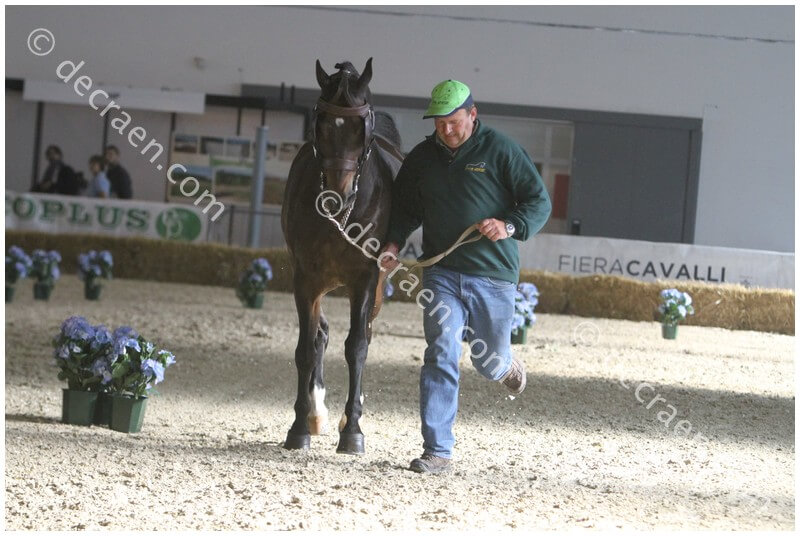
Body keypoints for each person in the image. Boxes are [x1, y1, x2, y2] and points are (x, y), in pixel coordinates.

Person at [380, 80, 552, 474]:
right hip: (441, 274)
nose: (446, 130)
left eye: (454, 122)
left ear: (473, 115)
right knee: (441, 351)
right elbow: (405, 207)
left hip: (493, 274)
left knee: (488, 363)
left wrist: (509, 225)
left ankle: (505, 366)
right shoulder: (422, 158)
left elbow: (538, 201)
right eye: (439, 123)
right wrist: (394, 242)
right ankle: (438, 451)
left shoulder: (502, 150)